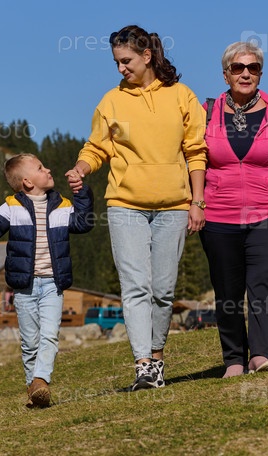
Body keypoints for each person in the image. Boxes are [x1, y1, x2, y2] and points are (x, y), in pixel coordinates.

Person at [67, 25, 208, 391]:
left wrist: (197, 201)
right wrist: (82, 168)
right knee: (134, 287)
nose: (121, 69)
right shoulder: (111, 101)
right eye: (116, 62)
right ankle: (143, 364)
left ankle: (157, 358)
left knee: (162, 290)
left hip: (174, 206)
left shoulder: (182, 96)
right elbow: (97, 147)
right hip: (125, 205)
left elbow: (196, 152)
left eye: (126, 60)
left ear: (147, 56)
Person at [199, 42, 268, 378]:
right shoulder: (206, 113)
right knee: (227, 289)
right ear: (226, 74)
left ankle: (260, 355)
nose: (245, 73)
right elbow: (194, 160)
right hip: (218, 215)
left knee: (263, 281)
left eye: (253, 68)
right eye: (238, 67)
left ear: (260, 74)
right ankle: (234, 359)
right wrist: (194, 203)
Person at [0, 153, 94, 408]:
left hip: (53, 284)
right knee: (30, 342)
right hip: (24, 286)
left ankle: (41, 379)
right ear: (27, 182)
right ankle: (33, 389)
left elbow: (83, 223)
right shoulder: (11, 207)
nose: (48, 170)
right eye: (40, 168)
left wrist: (81, 194)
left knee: (49, 336)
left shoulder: (63, 205)